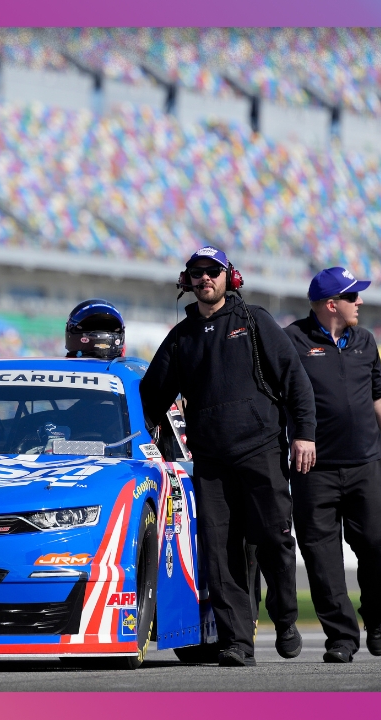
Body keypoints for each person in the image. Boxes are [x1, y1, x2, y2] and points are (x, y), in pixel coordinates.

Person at [139, 246, 317, 667]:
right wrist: (147, 431)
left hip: (262, 452)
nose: (205, 279)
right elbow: (151, 397)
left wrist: (304, 435)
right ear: (187, 282)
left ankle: (285, 617)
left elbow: (295, 380)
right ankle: (239, 641)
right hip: (212, 465)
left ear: (229, 277)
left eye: (212, 271)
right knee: (221, 554)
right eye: (196, 273)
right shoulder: (180, 338)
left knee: (274, 537)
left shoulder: (254, 321)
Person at [283, 267, 381, 663]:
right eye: (354, 297)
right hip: (312, 472)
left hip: (366, 467)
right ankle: (341, 638)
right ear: (331, 304)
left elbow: (380, 398)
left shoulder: (366, 341)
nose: (361, 303)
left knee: (374, 545)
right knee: (321, 561)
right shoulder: (292, 341)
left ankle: (376, 618)